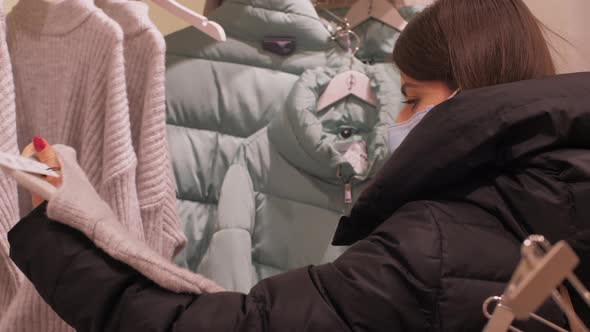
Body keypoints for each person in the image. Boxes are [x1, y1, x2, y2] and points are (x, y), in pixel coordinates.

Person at [7, 0, 590, 330]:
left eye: (410, 97)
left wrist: (58, 227)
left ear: (467, 95)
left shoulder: (431, 245)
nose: (396, 119)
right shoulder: (563, 199)